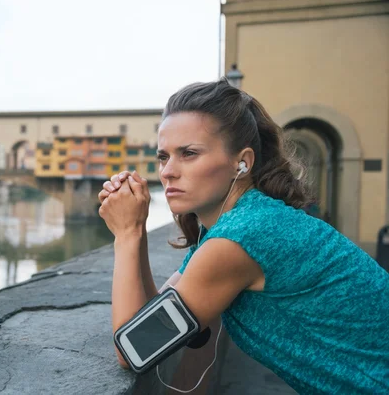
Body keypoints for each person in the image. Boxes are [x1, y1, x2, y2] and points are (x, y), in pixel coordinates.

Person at [97, 78, 389, 394]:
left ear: (242, 162)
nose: (167, 171)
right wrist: (136, 230)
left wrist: (125, 234)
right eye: (164, 156)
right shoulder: (240, 223)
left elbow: (133, 348)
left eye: (189, 153)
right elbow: (158, 313)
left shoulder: (239, 239)